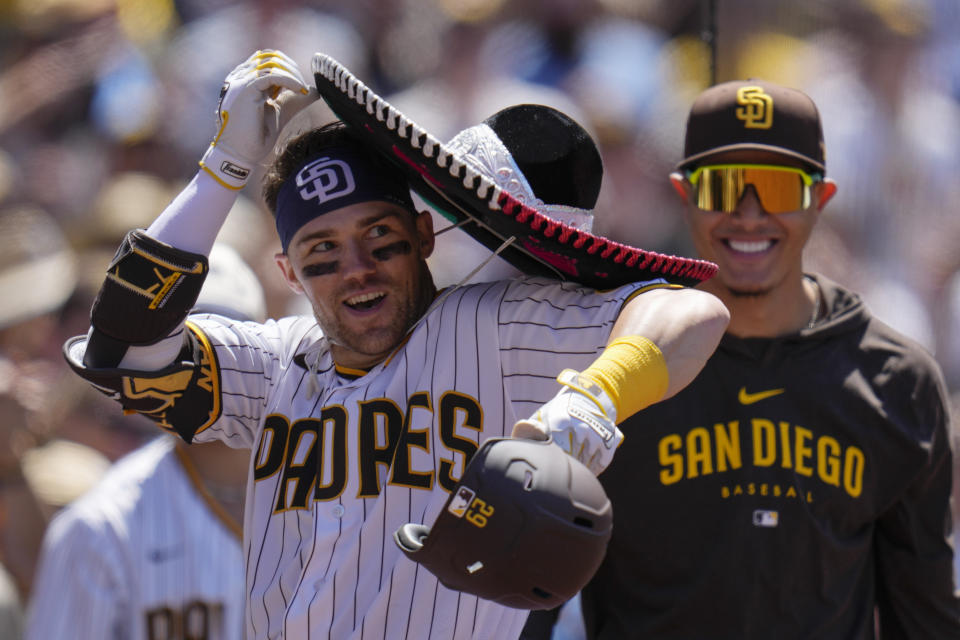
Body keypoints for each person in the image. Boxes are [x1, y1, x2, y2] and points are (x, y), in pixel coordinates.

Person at [62, 50, 728, 639]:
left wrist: (598, 394)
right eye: (322, 251)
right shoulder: (272, 364)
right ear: (287, 272)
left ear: (422, 237)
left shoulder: (491, 325)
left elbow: (691, 313)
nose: (356, 267)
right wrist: (222, 169)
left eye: (378, 238)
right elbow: (120, 351)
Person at [556, 79, 960, 639]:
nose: (749, 215)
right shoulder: (614, 360)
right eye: (723, 187)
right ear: (685, 194)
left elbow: (926, 618)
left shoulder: (899, 383)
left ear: (820, 199)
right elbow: (529, 598)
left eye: (776, 187)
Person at [25, 243, 264, 640]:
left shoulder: (340, 486)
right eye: (173, 348)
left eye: (222, 344)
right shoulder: (100, 527)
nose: (201, 367)